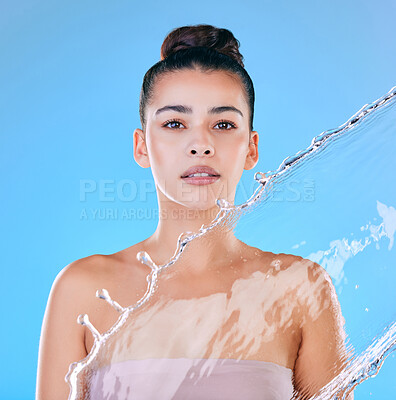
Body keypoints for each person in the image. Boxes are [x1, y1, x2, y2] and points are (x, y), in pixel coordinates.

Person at [36, 24, 354, 399]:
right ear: (141, 146)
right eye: (174, 123)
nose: (201, 144)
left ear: (251, 148)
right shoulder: (85, 290)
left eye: (223, 124)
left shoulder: (302, 288)